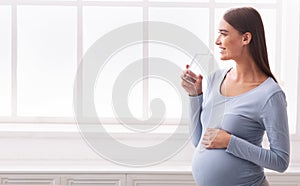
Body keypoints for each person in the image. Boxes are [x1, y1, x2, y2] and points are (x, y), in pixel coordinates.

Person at [181, 7, 290, 186]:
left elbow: (280, 161)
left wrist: (230, 142)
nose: (217, 41)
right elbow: (199, 140)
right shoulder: (216, 78)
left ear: (245, 38)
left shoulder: (270, 95)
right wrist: (195, 96)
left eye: (224, 34)